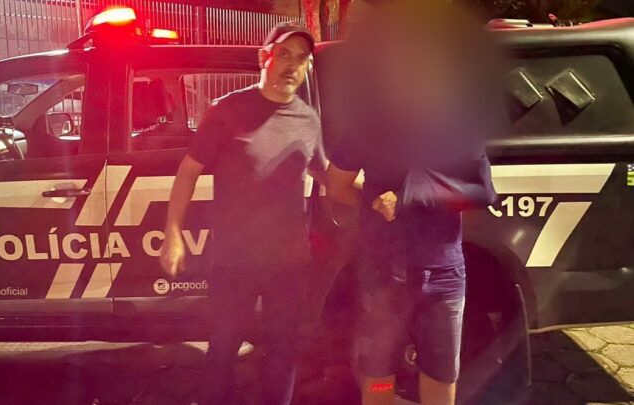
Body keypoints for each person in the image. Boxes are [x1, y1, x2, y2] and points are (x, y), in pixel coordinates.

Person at [324, 2, 500, 405]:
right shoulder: (370, 122)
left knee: (440, 379)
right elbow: (337, 185)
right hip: (383, 274)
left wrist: (405, 197)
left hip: (443, 275)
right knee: (379, 380)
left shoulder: (458, 124)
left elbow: (481, 191)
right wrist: (374, 206)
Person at [160, 22, 325, 405]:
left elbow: (327, 174)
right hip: (234, 260)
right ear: (264, 57)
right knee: (223, 348)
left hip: (288, 262)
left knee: (283, 351)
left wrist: (377, 191)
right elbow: (188, 172)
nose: (292, 66)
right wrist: (173, 234)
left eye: (301, 59)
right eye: (283, 54)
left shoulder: (307, 119)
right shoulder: (227, 110)